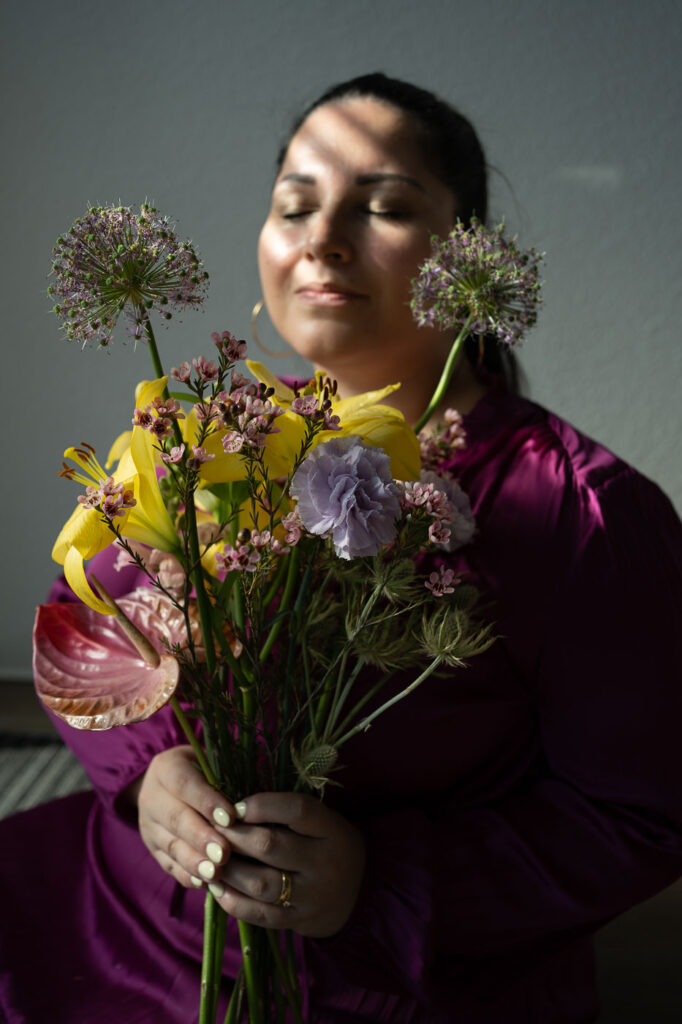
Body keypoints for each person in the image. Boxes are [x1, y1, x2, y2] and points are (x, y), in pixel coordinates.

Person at [2, 73, 682, 1023]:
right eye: (295, 205)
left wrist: (378, 882)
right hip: (133, 922)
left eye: (387, 206)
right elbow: (80, 625)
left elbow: (642, 813)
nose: (322, 239)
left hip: (399, 977)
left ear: (465, 257)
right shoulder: (214, 439)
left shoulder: (583, 514)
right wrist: (156, 767)